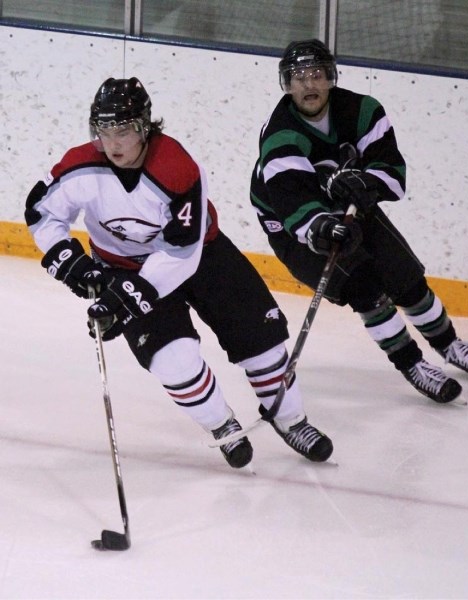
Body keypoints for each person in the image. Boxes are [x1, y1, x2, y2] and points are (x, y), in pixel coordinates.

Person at [24, 76, 334, 469]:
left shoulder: (177, 168)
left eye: (122, 130)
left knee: (263, 344)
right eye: (103, 130)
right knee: (173, 359)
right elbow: (41, 212)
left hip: (203, 256)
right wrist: (73, 264)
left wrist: (128, 298)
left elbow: (182, 252)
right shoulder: (80, 165)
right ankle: (222, 426)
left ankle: (291, 421)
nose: (113, 143)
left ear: (144, 127)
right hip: (120, 267)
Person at [249, 39, 468, 404]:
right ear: (286, 83)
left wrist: (367, 181)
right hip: (291, 225)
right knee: (364, 287)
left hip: (349, 205)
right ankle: (411, 364)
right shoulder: (281, 134)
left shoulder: (362, 110)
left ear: (331, 77)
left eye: (317, 74)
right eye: (298, 77)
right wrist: (320, 226)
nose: (309, 85)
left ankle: (449, 344)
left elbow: (392, 171)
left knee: (406, 279)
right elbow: (293, 202)